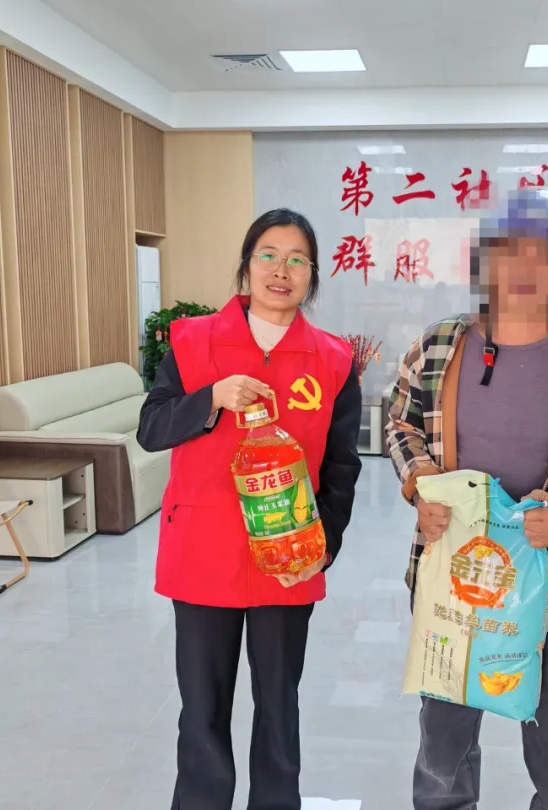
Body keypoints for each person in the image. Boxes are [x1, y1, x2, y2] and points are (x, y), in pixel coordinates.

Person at [385, 188, 548, 810]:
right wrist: (422, 484)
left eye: (545, 254)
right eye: (509, 251)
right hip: (453, 580)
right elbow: (400, 423)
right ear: (484, 262)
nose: (525, 269)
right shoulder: (440, 344)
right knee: (443, 748)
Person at [137, 208, 363, 810]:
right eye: (268, 255)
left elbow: (342, 466)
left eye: (297, 260)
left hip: (288, 558)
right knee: (202, 709)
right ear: (246, 265)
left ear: (312, 275)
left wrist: (320, 549)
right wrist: (210, 398)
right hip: (202, 552)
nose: (281, 271)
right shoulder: (191, 342)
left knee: (279, 707)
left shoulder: (333, 359)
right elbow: (152, 428)